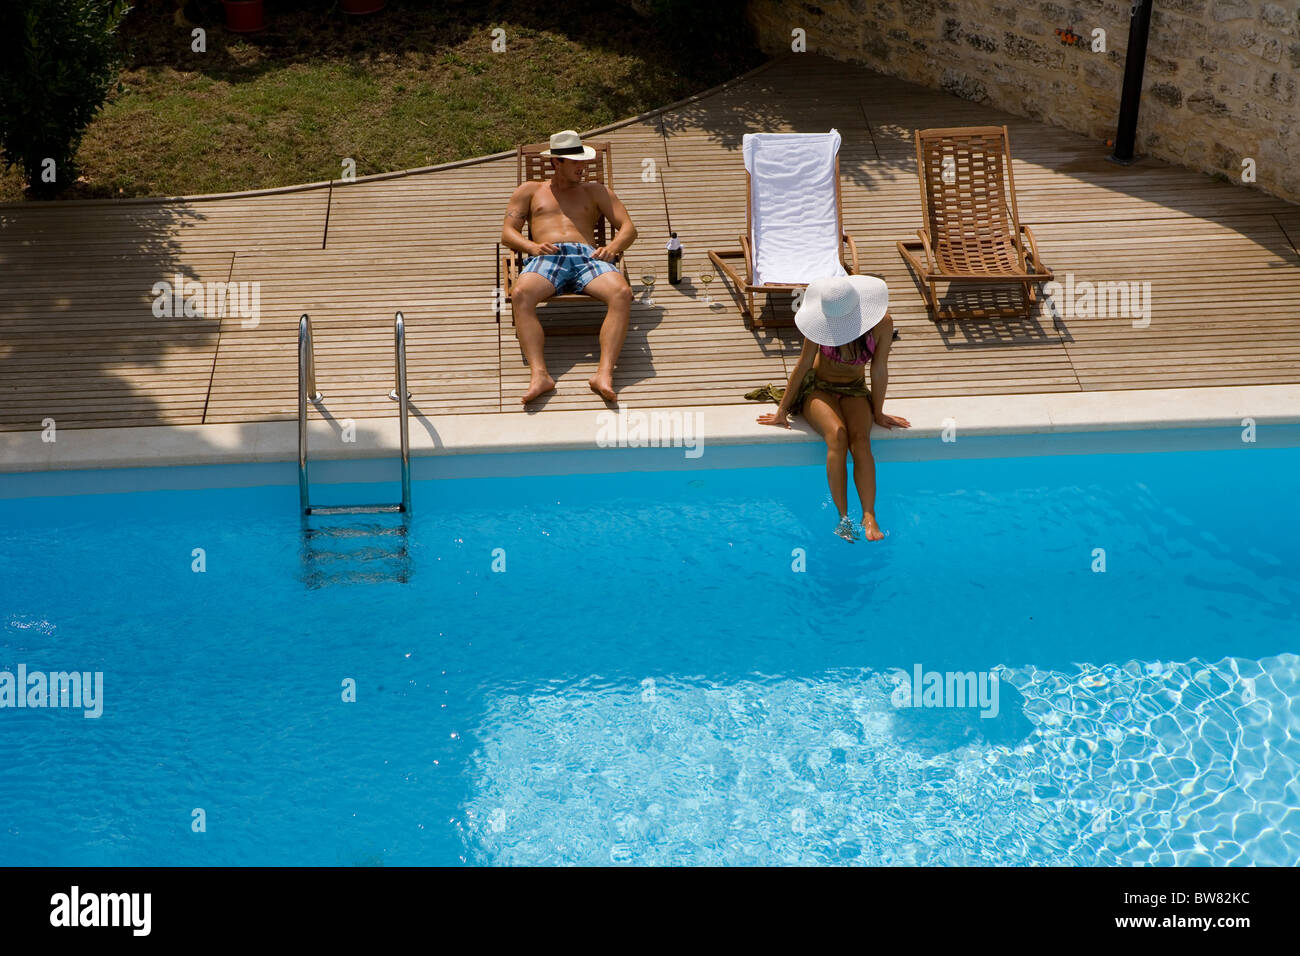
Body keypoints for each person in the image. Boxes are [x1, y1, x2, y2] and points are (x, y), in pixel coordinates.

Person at [753, 275, 910, 541]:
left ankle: (869, 515)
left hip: (855, 389)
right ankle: (843, 518)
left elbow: (879, 368)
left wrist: (878, 410)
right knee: (837, 435)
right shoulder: (819, 323)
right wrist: (782, 410)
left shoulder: (882, 323)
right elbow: (803, 365)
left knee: (861, 440)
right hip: (819, 388)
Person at [501, 130, 638, 404]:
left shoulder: (596, 190)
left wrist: (612, 248)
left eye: (583, 161)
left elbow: (628, 228)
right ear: (556, 163)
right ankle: (540, 375)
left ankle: (603, 374)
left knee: (621, 293)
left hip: (588, 256)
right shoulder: (530, 191)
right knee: (521, 294)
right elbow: (508, 233)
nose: (582, 167)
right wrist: (531, 247)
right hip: (547, 255)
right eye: (575, 162)